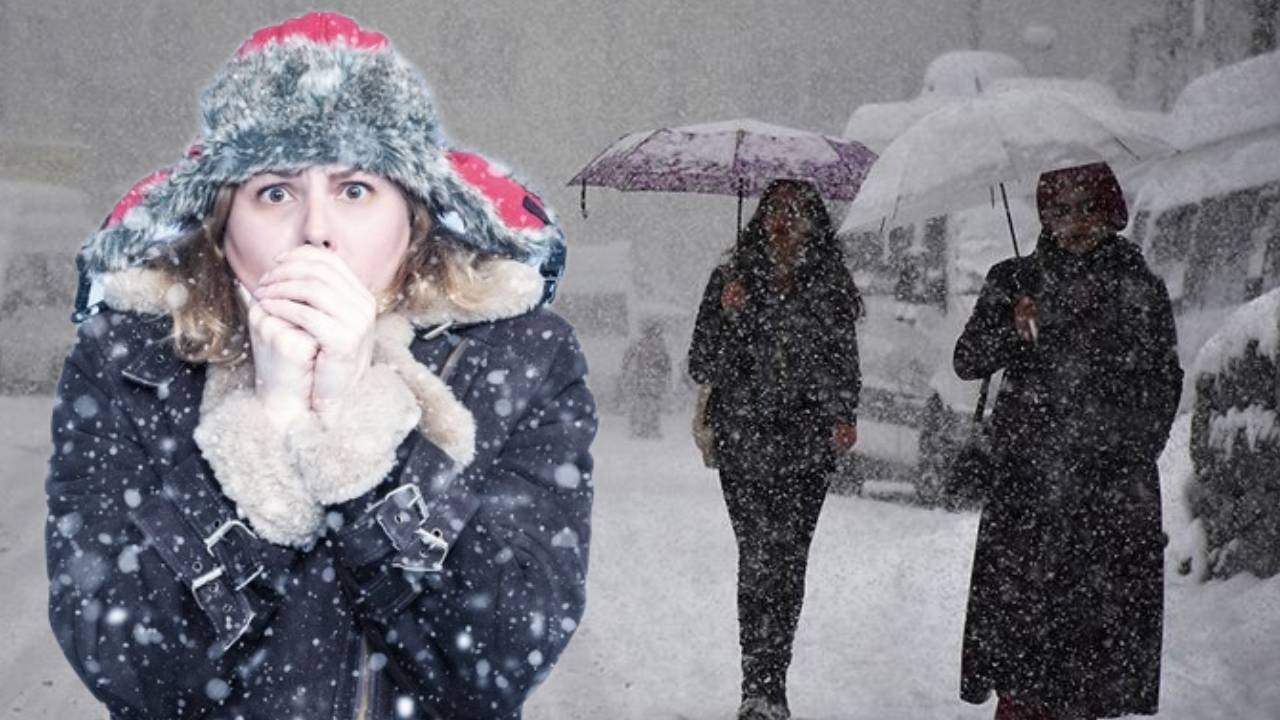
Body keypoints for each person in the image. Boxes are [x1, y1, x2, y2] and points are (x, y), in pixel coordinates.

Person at [44, 13, 595, 720]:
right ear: (222, 223)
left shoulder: (520, 357)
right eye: (275, 192)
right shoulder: (127, 362)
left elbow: (500, 657)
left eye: (355, 189)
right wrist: (266, 433)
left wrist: (355, 433)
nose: (315, 231)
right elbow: (126, 666)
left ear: (412, 215)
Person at [953, 162, 1182, 720]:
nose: (1075, 221)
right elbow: (967, 360)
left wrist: (1126, 449)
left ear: (1110, 211)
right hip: (1028, 491)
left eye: (1087, 207)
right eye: (1060, 209)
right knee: (1022, 643)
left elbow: (1162, 382)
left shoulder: (1138, 286)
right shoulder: (1014, 280)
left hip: (1108, 495)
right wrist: (1013, 328)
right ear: (1045, 216)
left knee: (1094, 654)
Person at [688, 178, 863, 720]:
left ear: (814, 224)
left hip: (806, 447)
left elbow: (843, 363)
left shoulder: (829, 286)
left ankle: (773, 683)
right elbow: (701, 363)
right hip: (744, 441)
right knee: (758, 557)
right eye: (776, 211)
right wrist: (729, 314)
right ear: (761, 219)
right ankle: (756, 685)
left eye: (797, 212)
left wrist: (843, 415)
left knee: (787, 563)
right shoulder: (731, 280)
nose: (785, 222)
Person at [620, 317, 673, 439]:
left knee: (640, 405)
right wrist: (665, 377)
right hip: (653, 380)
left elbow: (627, 359)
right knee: (652, 406)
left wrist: (627, 372)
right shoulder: (660, 346)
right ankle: (651, 429)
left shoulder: (638, 344)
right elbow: (666, 365)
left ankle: (639, 429)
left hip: (642, 378)